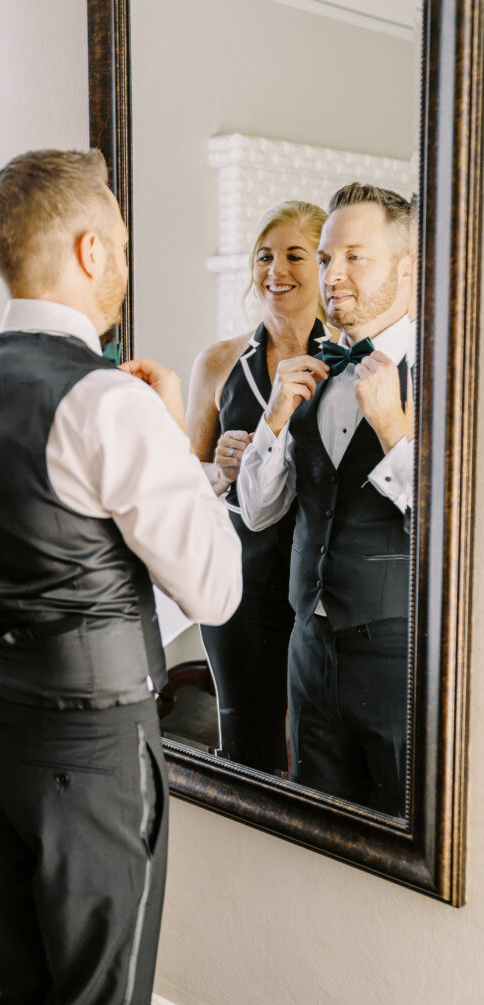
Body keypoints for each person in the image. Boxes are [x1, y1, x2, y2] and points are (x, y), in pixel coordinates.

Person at [0, 148, 241, 1005]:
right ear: (91, 251)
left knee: (14, 995)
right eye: (123, 247)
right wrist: (176, 440)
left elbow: (62, 555)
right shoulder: (109, 403)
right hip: (90, 761)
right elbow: (213, 592)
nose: (126, 268)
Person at [238, 182, 414, 816]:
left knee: (405, 834)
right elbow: (258, 512)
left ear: (406, 267)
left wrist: (395, 431)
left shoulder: (454, 380)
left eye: (354, 258)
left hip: (402, 658)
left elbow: (457, 537)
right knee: (316, 826)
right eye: (326, 257)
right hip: (307, 651)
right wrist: (276, 419)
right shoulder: (313, 374)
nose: (332, 275)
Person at [186, 200, 329, 772]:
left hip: (320, 589)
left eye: (295, 255)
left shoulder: (347, 363)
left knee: (319, 755)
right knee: (249, 749)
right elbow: (187, 484)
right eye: (265, 256)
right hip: (240, 587)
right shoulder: (219, 362)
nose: (277, 271)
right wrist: (220, 471)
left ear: (322, 267)